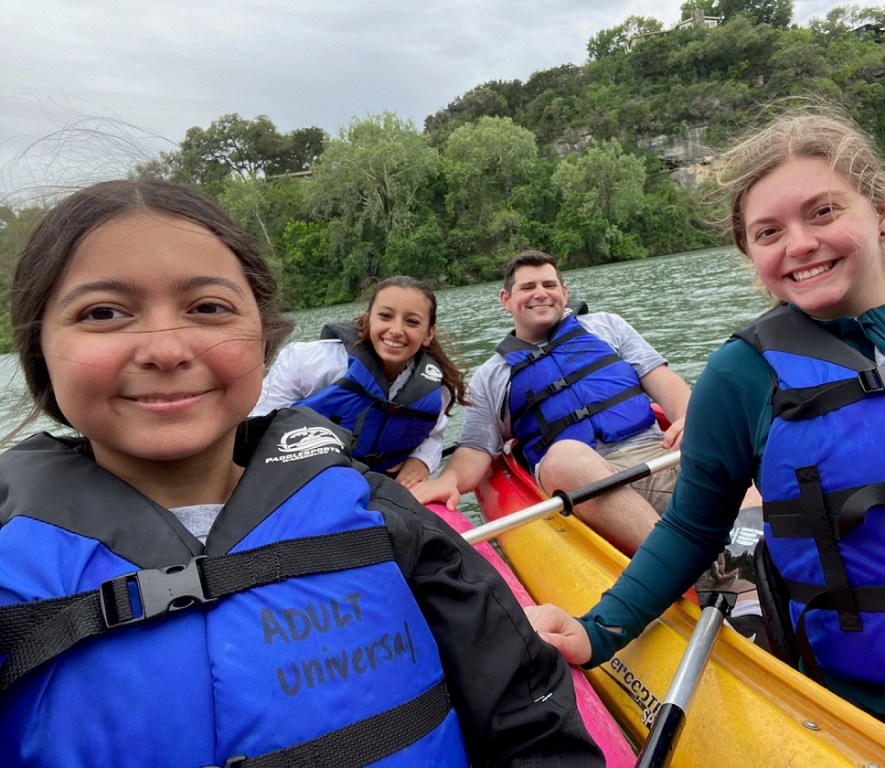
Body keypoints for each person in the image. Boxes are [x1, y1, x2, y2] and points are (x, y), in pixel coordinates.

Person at [0, 180, 603, 767]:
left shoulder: (388, 515)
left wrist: (416, 475)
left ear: (261, 338)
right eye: (103, 313)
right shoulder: (319, 365)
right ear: (39, 350)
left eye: (208, 308)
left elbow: (528, 720)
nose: (166, 349)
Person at [526, 107, 885, 767]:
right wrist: (596, 631)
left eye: (823, 212)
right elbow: (691, 528)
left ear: (883, 211)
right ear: (750, 254)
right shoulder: (741, 375)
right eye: (769, 232)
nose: (799, 244)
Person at [413, 250, 692, 555]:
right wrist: (450, 479)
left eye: (549, 285)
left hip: (656, 455)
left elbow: (663, 380)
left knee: (719, 429)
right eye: (528, 287)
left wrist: (688, 418)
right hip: (579, 482)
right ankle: (678, 560)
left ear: (564, 292)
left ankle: (741, 558)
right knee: (566, 456)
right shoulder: (492, 375)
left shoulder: (606, 326)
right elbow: (479, 446)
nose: (540, 294)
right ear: (506, 300)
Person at [251, 276, 468, 488]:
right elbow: (257, 426)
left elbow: (434, 434)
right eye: (385, 316)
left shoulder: (436, 391)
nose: (396, 330)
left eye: (412, 322)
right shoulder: (307, 362)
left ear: (429, 333)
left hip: (379, 486)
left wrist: (422, 460)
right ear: (368, 319)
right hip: (300, 482)